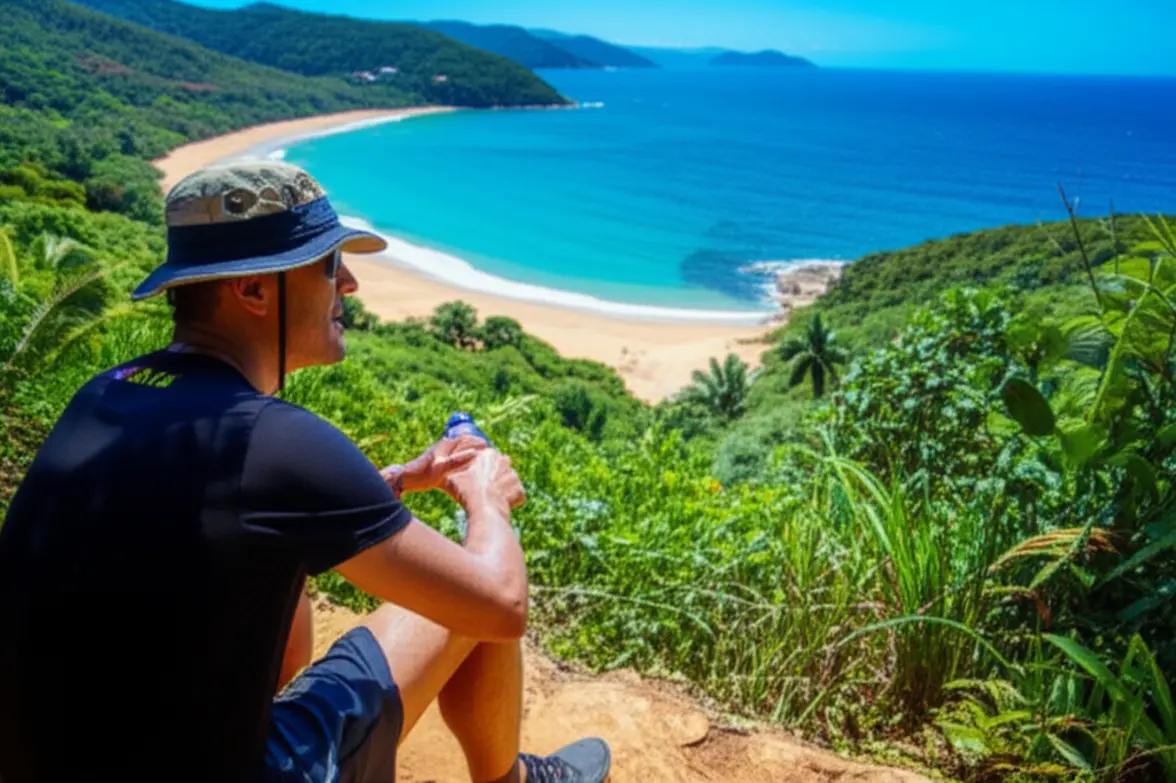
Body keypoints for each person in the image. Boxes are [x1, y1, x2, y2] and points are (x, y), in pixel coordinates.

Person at [0, 161, 611, 783]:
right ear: (255, 290)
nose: (348, 283)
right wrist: (487, 501)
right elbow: (500, 606)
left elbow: (250, 561)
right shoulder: (276, 440)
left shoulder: (104, 394)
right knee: (476, 575)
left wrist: (392, 480)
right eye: (327, 264)